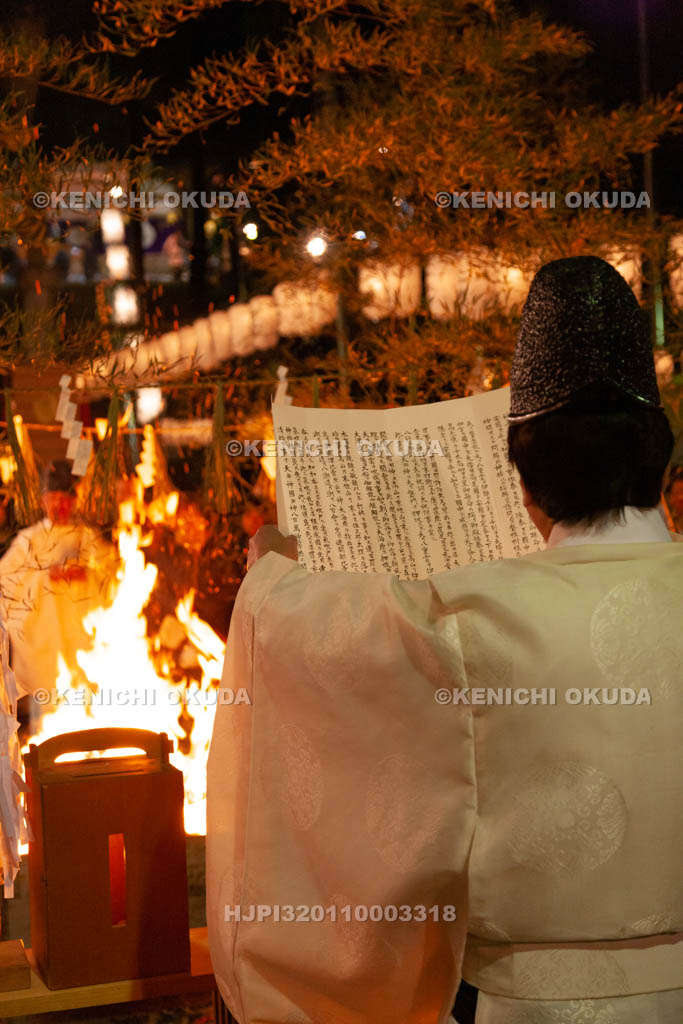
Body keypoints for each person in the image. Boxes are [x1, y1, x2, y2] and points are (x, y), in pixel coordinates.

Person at [206, 256, 682, 1024]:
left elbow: (307, 646)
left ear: (524, 481)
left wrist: (269, 573)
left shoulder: (466, 619)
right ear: (661, 458)